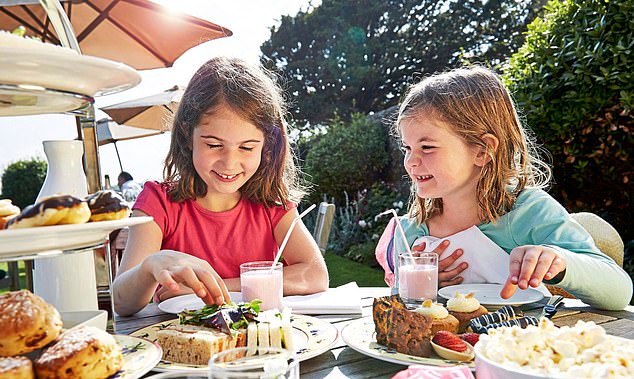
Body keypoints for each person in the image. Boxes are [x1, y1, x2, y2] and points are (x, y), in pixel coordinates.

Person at [375, 66, 632, 310]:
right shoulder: (410, 232)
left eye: (427, 147)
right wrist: (423, 288)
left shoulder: (528, 211)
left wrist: (558, 261)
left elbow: (619, 291)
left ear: (483, 150)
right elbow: (400, 309)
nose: (410, 161)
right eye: (407, 148)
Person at [112, 57, 329, 316]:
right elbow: (121, 303)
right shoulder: (158, 202)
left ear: (266, 146)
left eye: (247, 147)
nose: (229, 163)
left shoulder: (272, 206)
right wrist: (150, 266)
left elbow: (316, 275)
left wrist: (210, 288)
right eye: (214, 145)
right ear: (187, 135)